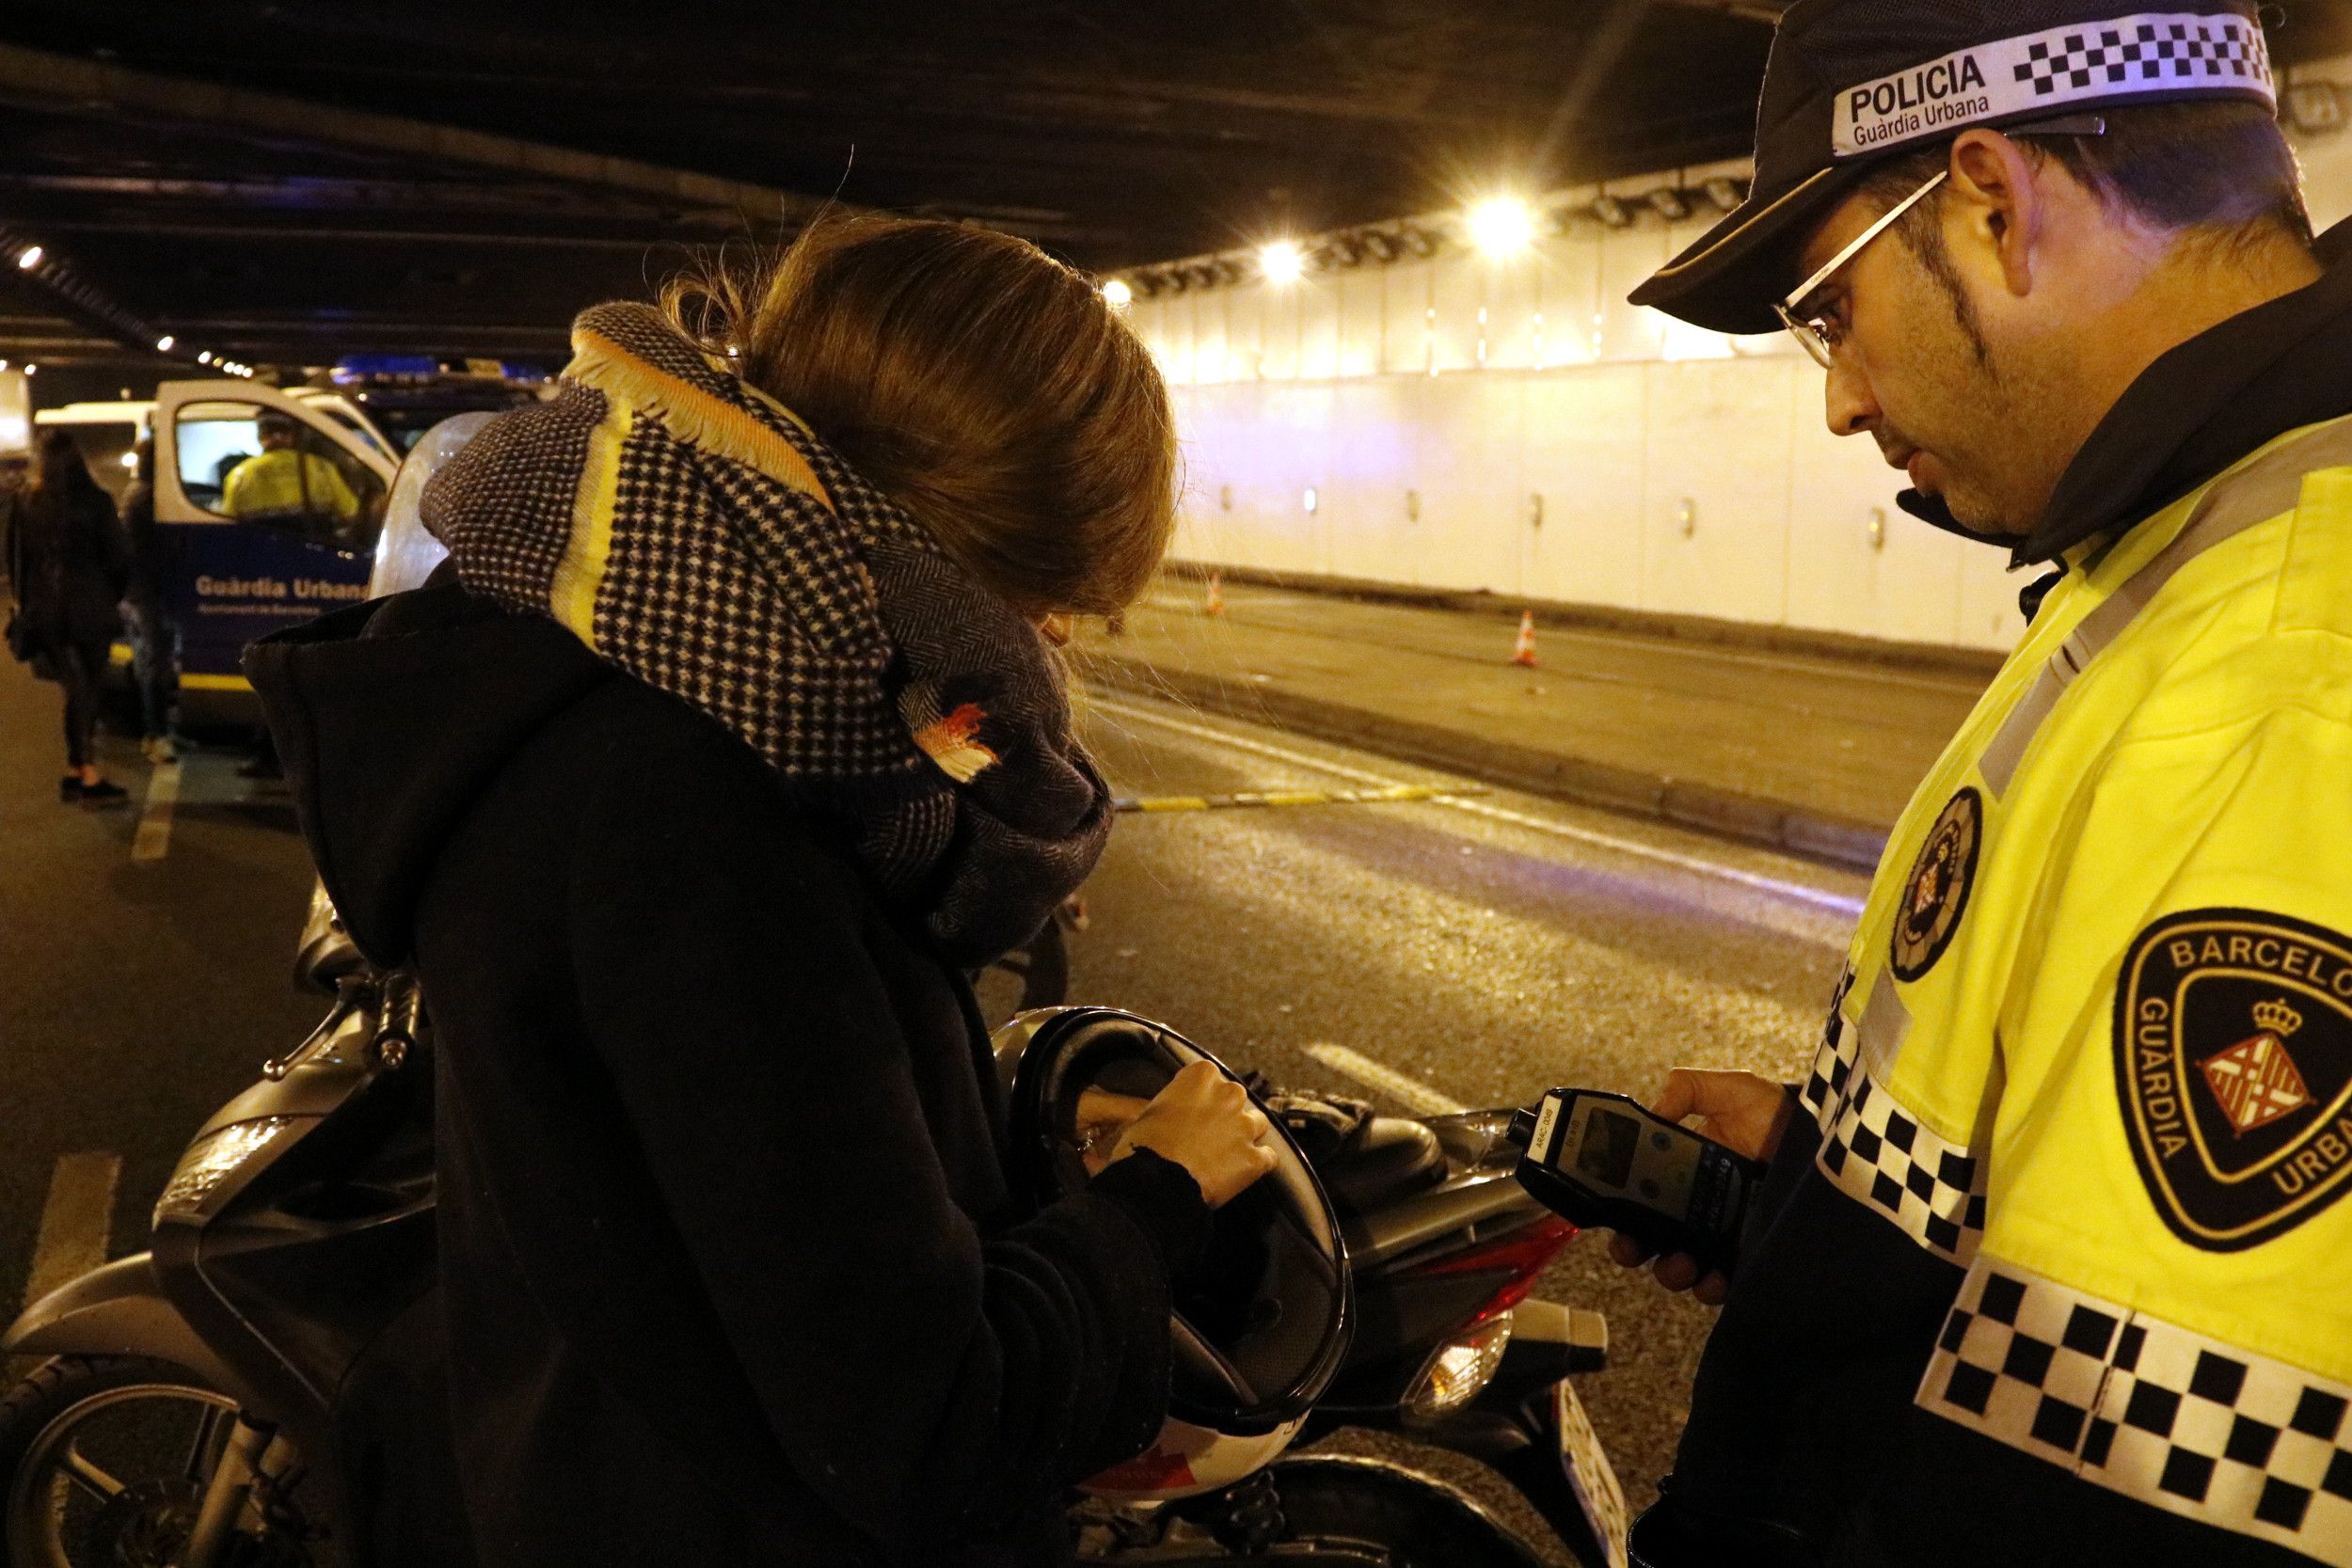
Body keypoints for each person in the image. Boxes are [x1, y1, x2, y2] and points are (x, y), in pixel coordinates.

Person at [245, 215, 1276, 1567]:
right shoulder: (703, 813)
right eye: (1049, 597)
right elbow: (920, 1430)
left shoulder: (606, 686)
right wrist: (1154, 1202)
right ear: (935, 554)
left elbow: (730, 1194)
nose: (1063, 641)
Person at [1611, 4, 2352, 1565]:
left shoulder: (2279, 676)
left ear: (1994, 204)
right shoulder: (2181, 544)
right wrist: (1826, 1206)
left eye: (1827, 306)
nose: (1841, 395)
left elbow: (2131, 1482)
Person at [8, 431, 130, 804]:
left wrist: (24, 605)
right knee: (86, 689)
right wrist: (111, 596)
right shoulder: (97, 501)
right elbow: (119, 560)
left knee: (75, 689)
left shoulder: (26, 501)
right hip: (91, 611)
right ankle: (87, 775)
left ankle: (77, 771)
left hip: (46, 613)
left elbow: (16, 561)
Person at [119, 436, 180, 762]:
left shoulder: (138, 493)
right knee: (155, 663)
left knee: (152, 662)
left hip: (140, 591)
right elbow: (165, 549)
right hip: (148, 592)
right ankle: (156, 734)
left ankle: (157, 732)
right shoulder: (148, 499)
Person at [221, 409, 359, 526]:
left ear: (260, 436)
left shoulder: (241, 475)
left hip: (262, 554)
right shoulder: (322, 468)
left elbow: (226, 524)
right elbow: (351, 512)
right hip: (314, 554)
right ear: (292, 435)